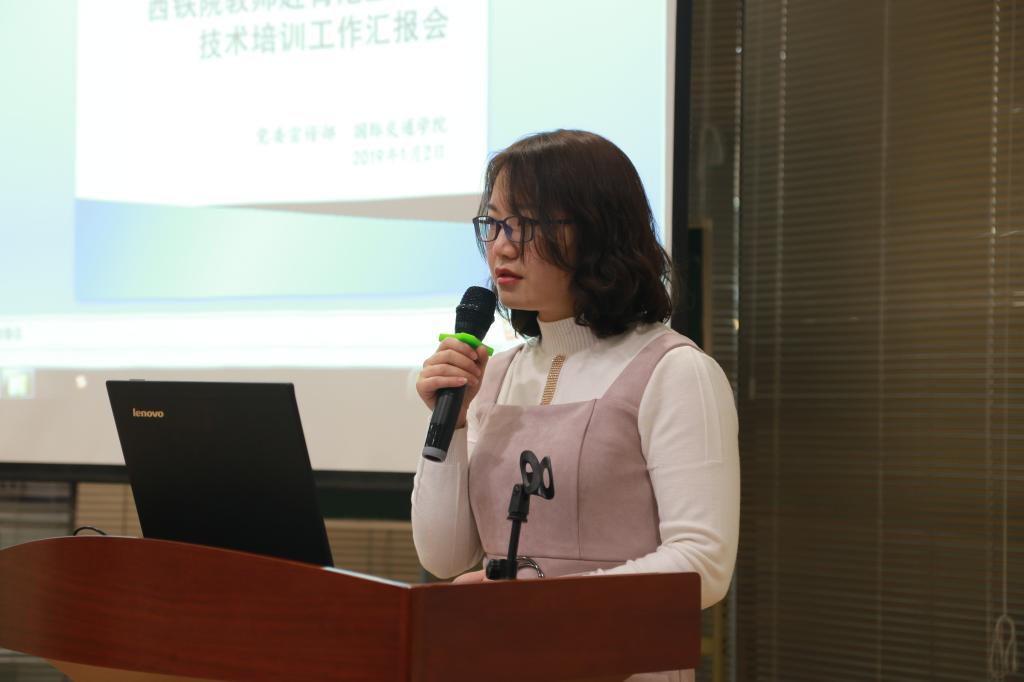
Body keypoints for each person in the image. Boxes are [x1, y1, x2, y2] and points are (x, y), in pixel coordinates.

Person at [411, 130, 739, 682]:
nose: (502, 247)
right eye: (493, 224)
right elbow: (444, 557)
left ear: (597, 230)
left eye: (526, 225)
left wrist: (533, 608)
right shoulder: (495, 374)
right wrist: (455, 423)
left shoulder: (676, 370)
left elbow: (701, 564)